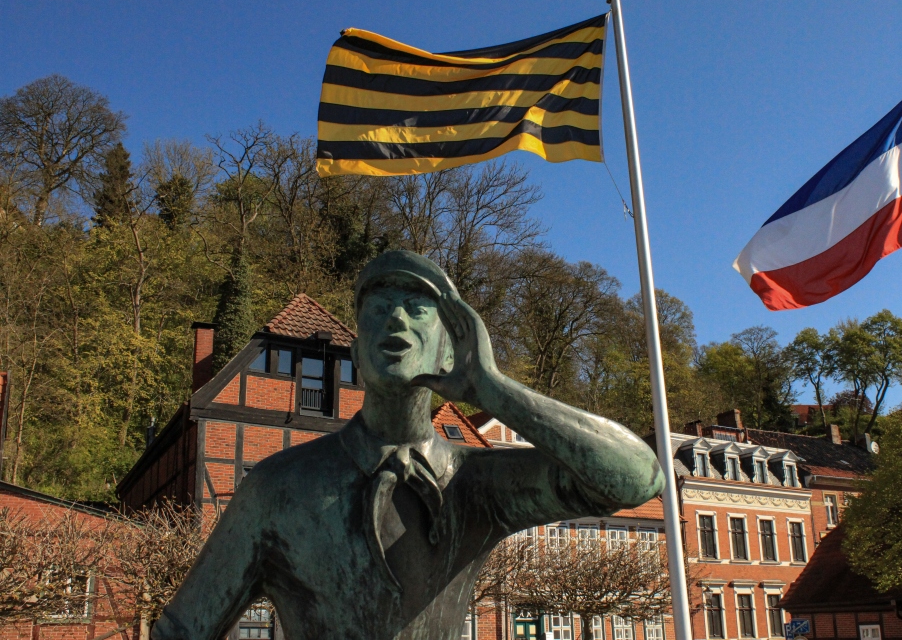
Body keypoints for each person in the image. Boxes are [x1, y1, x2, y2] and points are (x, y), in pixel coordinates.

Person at [152, 250, 665, 640]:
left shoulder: (476, 483)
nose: (396, 319)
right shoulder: (278, 489)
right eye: (379, 309)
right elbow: (182, 631)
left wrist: (492, 389)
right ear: (356, 352)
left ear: (448, 349)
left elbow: (635, 478)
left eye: (417, 308)